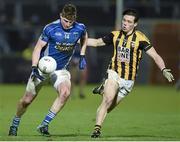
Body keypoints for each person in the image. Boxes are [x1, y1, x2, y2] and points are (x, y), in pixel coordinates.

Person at [87, 9, 174, 138]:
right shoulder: (115, 35)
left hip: (128, 81)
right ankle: (96, 130)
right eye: (124, 20)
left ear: (135, 24)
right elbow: (95, 42)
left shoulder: (141, 39)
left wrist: (164, 69)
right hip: (114, 73)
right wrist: (76, 40)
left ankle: (103, 90)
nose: (125, 23)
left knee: (108, 108)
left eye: (129, 21)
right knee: (108, 99)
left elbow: (155, 56)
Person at [8, 3, 88, 137]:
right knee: (26, 101)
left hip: (61, 70)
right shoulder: (50, 28)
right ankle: (15, 122)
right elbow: (38, 48)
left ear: (75, 19)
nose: (68, 24)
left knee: (65, 92)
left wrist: (82, 55)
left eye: (71, 21)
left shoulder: (80, 28)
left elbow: (85, 38)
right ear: (61, 16)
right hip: (43, 68)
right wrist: (34, 67)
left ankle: (44, 124)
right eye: (66, 21)